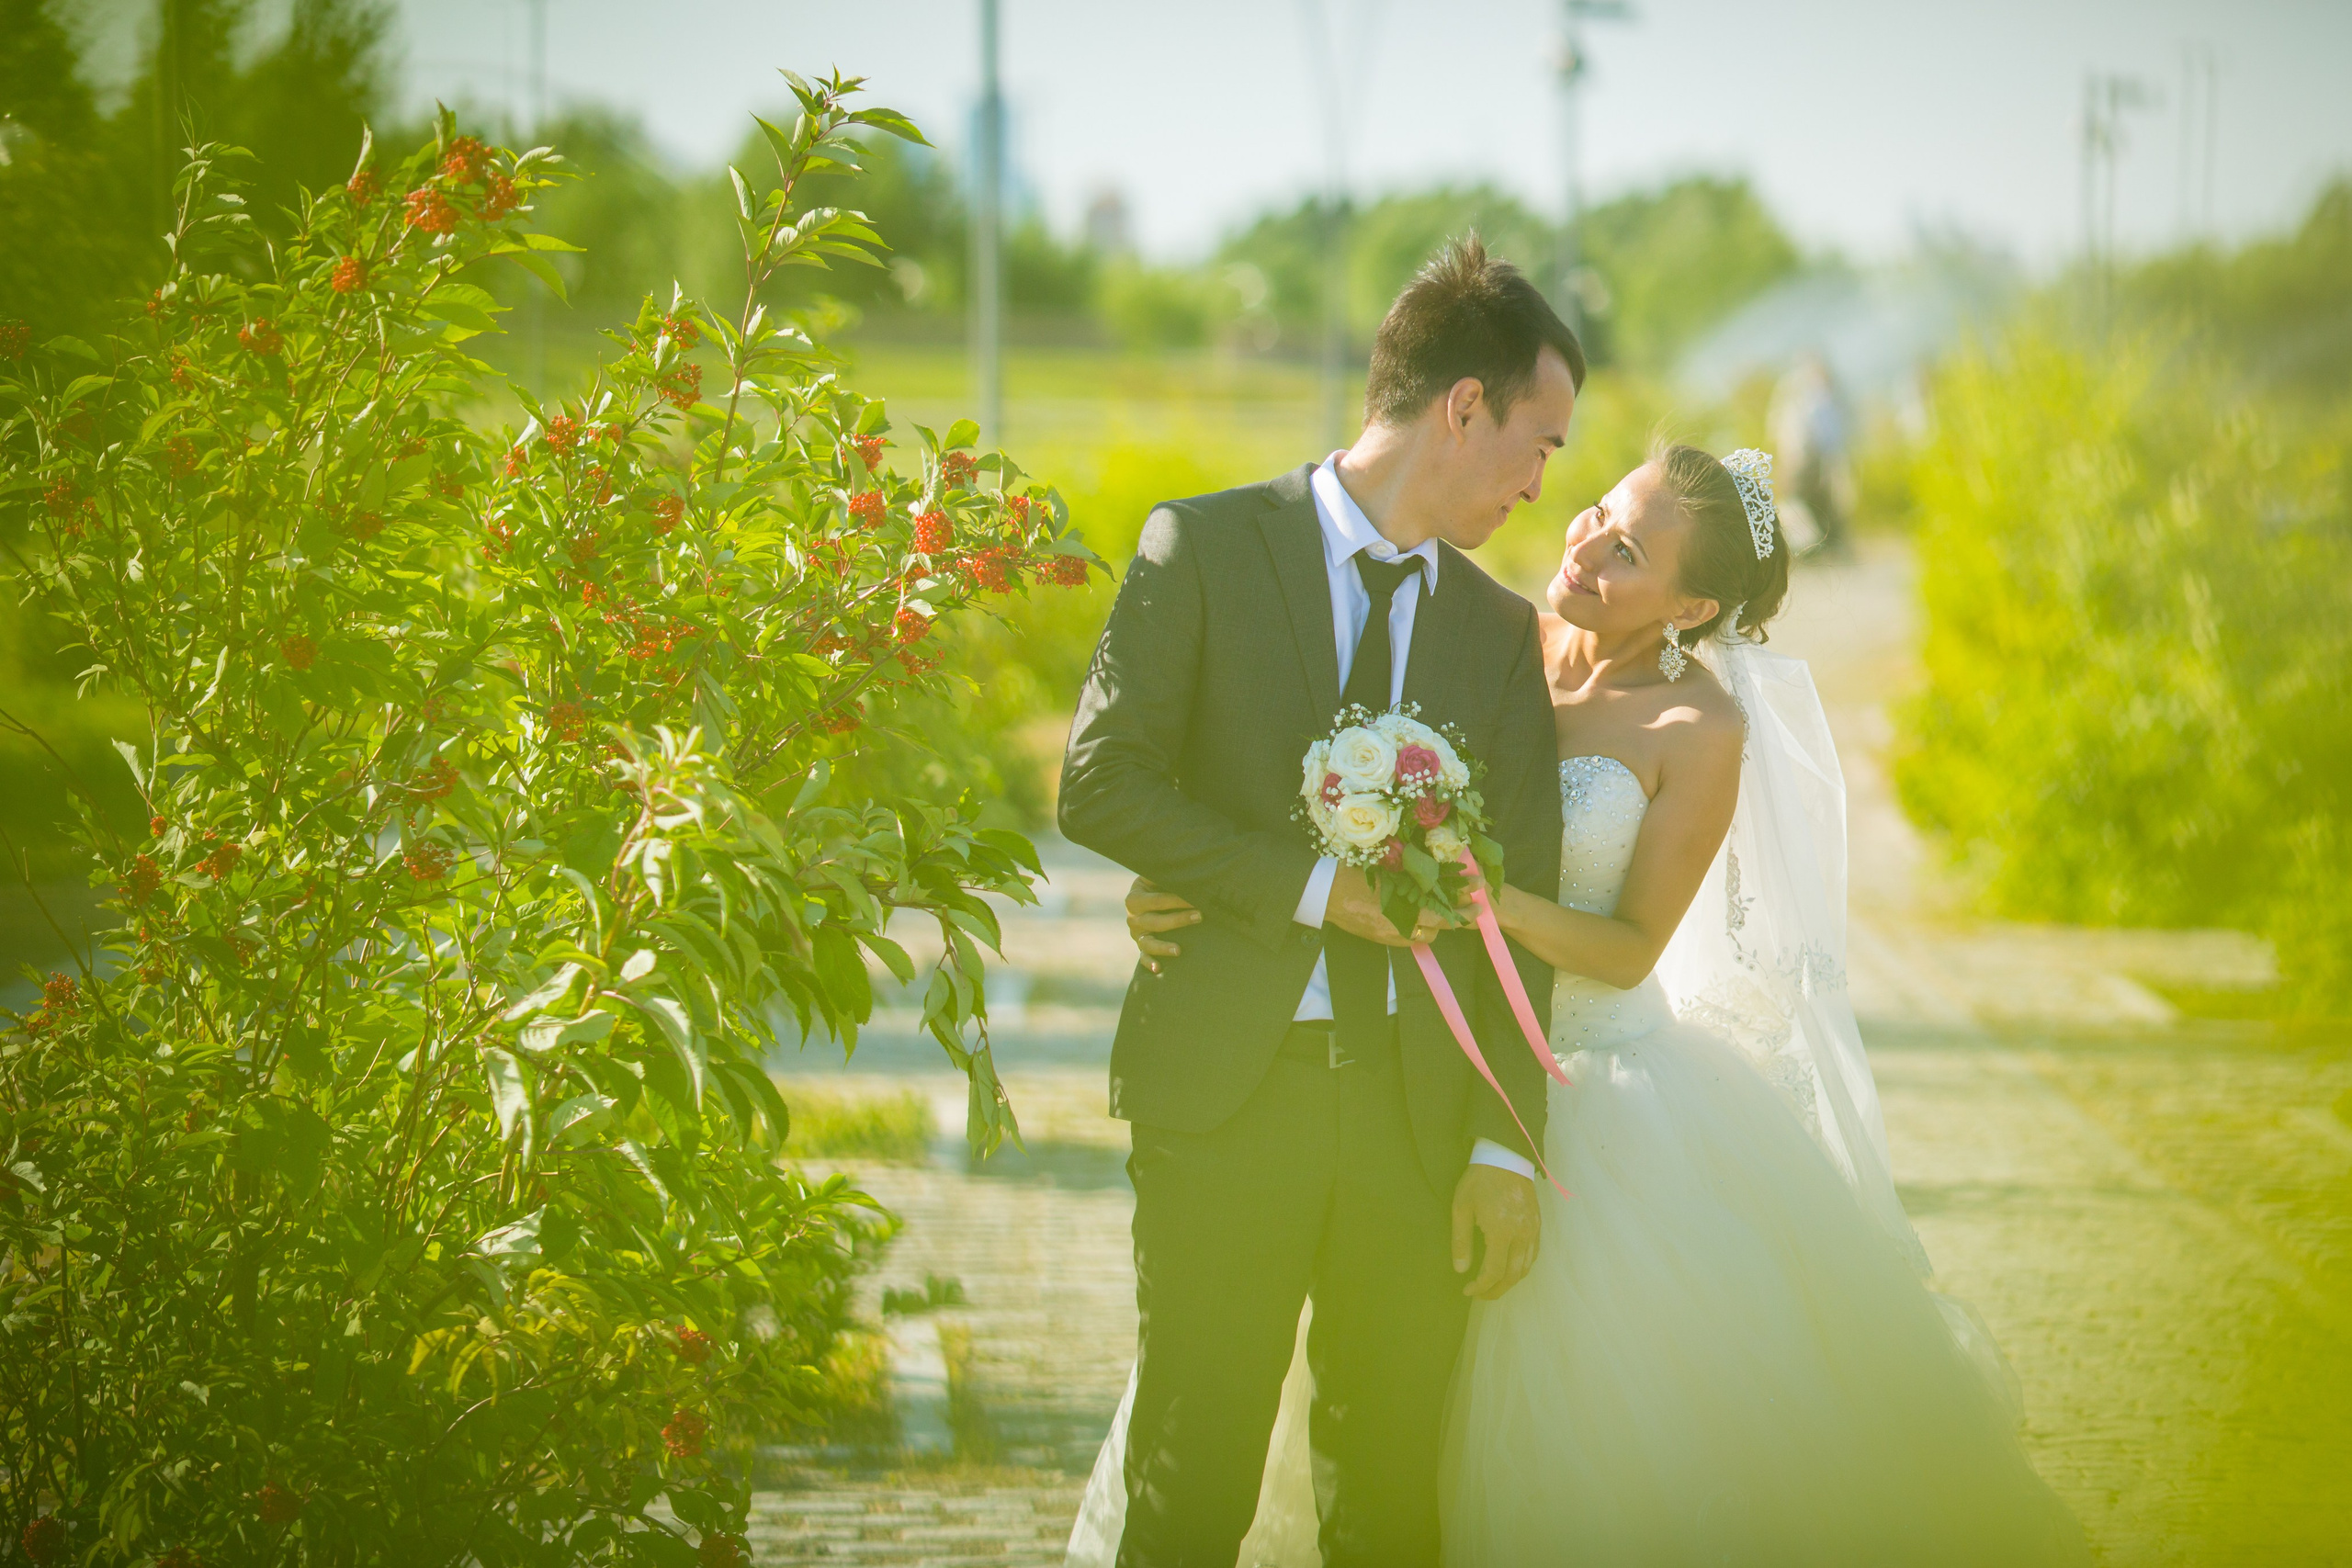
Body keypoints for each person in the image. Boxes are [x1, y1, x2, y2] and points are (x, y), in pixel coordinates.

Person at [1092, 445, 2092, 1564]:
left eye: (1628, 551)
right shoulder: (1482, 636)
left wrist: (1486, 901)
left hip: (1596, 1101)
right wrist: (1194, 883)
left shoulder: (1697, 732)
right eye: (1598, 513)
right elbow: (1319, 796)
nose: (1585, 545)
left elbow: (1626, 950)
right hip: (1413, 1072)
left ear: (1694, 603)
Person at [1055, 236, 1579, 1567]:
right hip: (1225, 1096)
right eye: (1540, 440)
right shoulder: (1207, 545)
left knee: (1394, 1500)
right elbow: (1098, 783)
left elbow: (1525, 896)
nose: (1540, 482)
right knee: (1190, 1477)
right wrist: (1307, 889)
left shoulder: (1501, 629)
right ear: (1464, 405)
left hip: (1418, 1125)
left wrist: (1506, 1146)